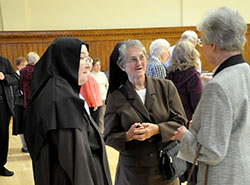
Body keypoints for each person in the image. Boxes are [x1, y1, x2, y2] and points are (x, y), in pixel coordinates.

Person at [173, 6, 250, 185]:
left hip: (224, 177)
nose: (202, 49)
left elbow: (211, 151)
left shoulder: (218, 85)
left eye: (202, 42)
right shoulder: (246, 72)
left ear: (213, 46)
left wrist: (185, 136)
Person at [24, 37, 112, 185]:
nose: (88, 65)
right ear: (65, 60)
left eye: (88, 58)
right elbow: (77, 164)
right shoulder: (61, 100)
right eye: (82, 58)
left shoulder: (56, 91)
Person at [104, 40, 187, 185]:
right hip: (133, 174)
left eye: (141, 57)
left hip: (165, 169)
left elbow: (180, 122)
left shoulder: (166, 87)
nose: (139, 63)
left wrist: (157, 129)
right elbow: (109, 136)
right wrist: (127, 136)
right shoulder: (116, 97)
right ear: (122, 66)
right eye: (132, 59)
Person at [166, 40, 203, 185]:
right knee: (192, 168)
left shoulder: (170, 75)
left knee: (178, 164)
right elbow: (198, 105)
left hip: (173, 123)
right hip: (189, 124)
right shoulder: (193, 75)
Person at [0, 56, 18, 176]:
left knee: (2, 136)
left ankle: (0, 165)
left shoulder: (4, 61)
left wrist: (4, 77)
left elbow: (15, 78)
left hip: (1, 105)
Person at [12, 57, 28, 153]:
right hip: (18, 104)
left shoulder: (27, 75)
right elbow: (14, 91)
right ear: (17, 66)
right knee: (21, 126)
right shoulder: (15, 77)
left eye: (25, 65)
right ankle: (24, 146)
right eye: (22, 65)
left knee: (27, 125)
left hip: (26, 104)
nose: (24, 67)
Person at [80, 59, 103, 125]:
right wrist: (94, 103)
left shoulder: (87, 75)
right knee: (95, 124)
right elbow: (90, 91)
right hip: (92, 104)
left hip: (91, 103)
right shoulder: (88, 76)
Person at [91, 58, 109, 133]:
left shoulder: (102, 74)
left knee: (103, 117)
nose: (98, 67)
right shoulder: (91, 75)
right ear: (93, 66)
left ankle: (103, 131)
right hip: (96, 100)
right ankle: (100, 133)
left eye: (99, 65)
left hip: (103, 98)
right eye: (96, 65)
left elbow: (107, 85)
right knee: (98, 118)